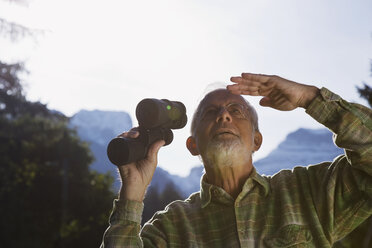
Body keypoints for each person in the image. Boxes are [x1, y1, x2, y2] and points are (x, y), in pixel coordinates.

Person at [100, 73, 372, 247]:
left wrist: (309, 98)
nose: (224, 116)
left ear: (257, 141)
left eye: (236, 110)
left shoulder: (306, 192)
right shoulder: (171, 227)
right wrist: (131, 198)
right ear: (193, 146)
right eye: (210, 112)